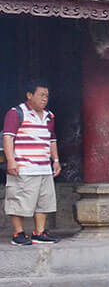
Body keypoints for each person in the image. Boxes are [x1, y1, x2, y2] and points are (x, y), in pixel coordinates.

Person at [4, 78, 61, 245]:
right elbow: (8, 137)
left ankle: (39, 232)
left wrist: (56, 160)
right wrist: (11, 161)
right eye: (41, 95)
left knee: (44, 201)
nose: (45, 99)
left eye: (47, 96)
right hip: (23, 166)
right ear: (29, 95)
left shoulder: (49, 116)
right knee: (19, 200)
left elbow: (52, 140)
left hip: (44, 167)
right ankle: (18, 234)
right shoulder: (16, 113)